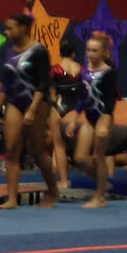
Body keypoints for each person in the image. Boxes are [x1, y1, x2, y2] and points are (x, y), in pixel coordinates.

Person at [0, 13, 60, 208]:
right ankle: (12, 198)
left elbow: (43, 83)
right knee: (11, 149)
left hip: (38, 101)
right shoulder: (9, 52)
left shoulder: (39, 51)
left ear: (22, 28)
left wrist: (32, 109)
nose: (6, 32)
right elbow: (6, 85)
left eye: (10, 28)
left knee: (36, 151)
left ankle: (53, 191)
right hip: (15, 102)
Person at [73, 31, 119, 208]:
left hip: (103, 116)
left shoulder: (108, 73)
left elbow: (110, 99)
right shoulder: (84, 71)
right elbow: (82, 97)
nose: (90, 54)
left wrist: (106, 120)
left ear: (104, 53)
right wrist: (74, 119)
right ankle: (102, 181)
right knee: (80, 158)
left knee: (99, 156)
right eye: (88, 50)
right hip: (89, 118)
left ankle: (100, 197)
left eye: (94, 51)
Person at [50, 34, 84, 192]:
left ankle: (64, 181)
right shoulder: (81, 69)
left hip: (60, 107)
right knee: (84, 144)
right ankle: (93, 175)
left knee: (59, 145)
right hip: (77, 109)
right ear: (73, 53)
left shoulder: (55, 70)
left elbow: (51, 94)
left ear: (60, 53)